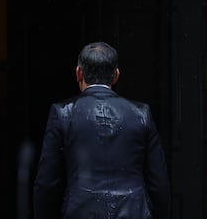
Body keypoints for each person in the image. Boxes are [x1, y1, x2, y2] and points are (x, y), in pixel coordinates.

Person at [33, 42, 171, 219]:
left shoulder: (62, 114)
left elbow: (47, 183)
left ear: (78, 73)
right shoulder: (141, 114)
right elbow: (158, 183)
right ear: (116, 76)